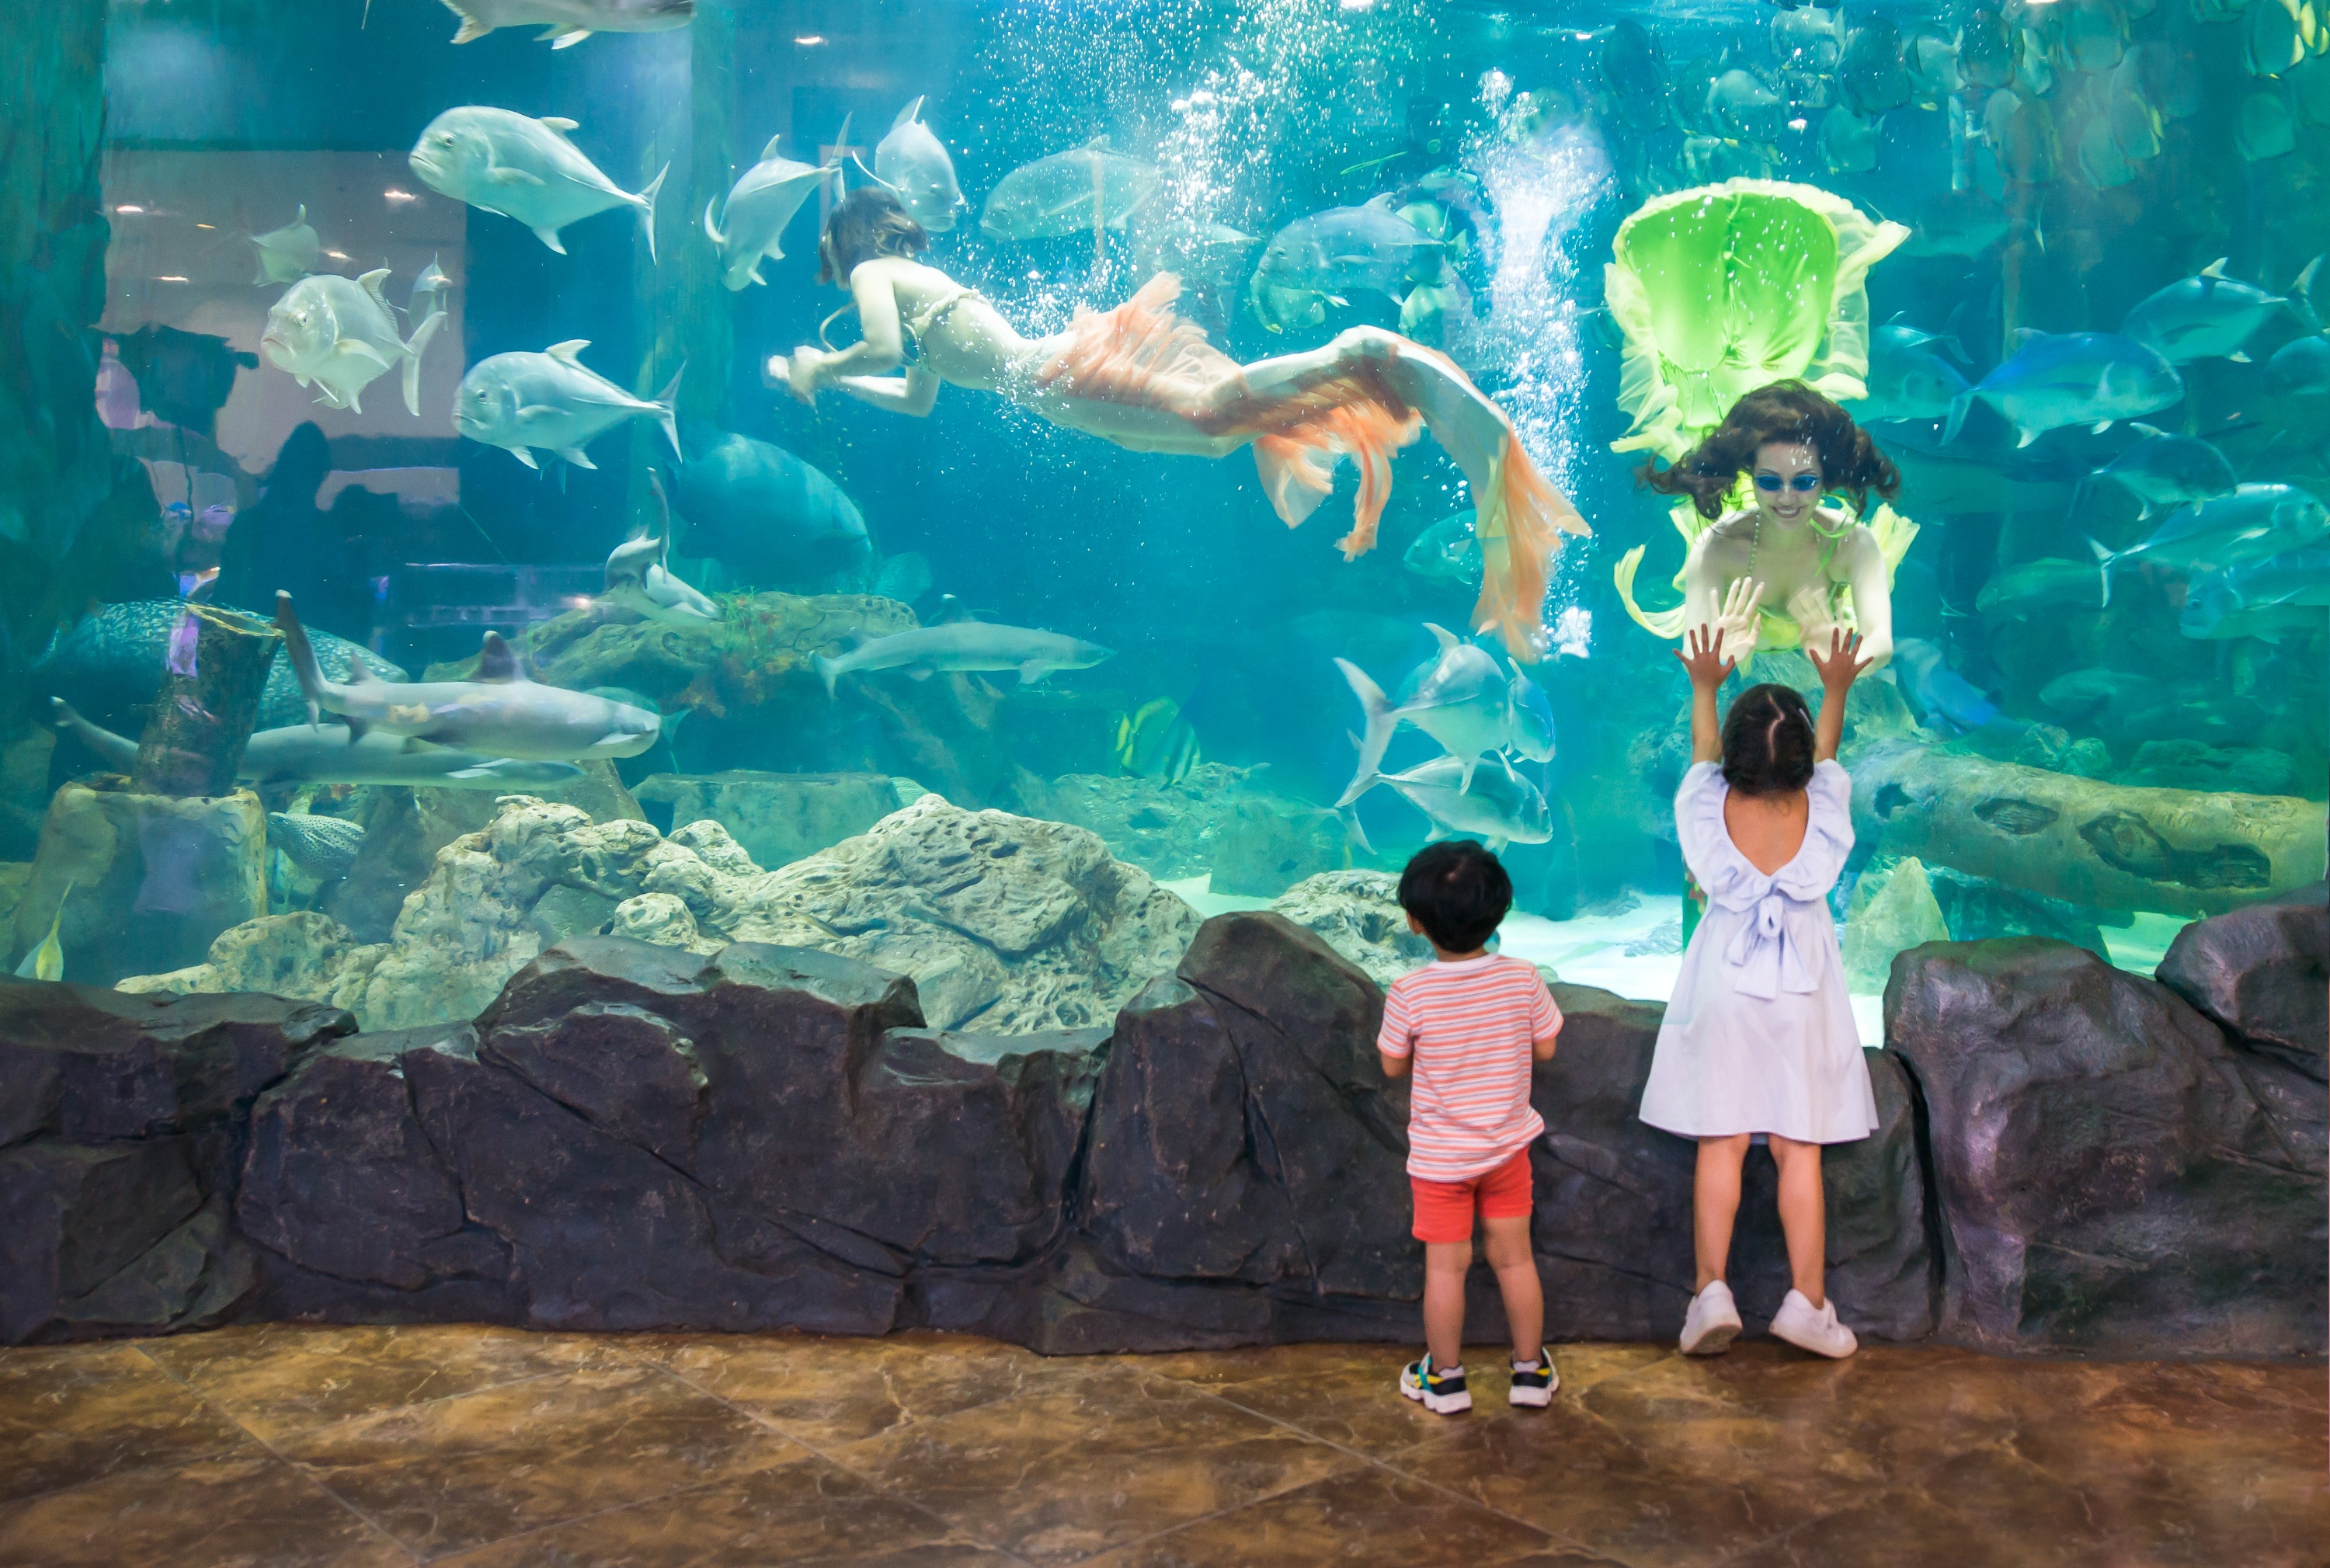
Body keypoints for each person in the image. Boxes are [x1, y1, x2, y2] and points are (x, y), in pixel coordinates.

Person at [767, 188, 1588, 660]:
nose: (836, 277)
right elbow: (914, 397)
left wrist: (820, 366)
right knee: (1220, 431)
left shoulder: (877, 269)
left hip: (1054, 375)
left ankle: (1356, 349)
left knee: (1213, 411)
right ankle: (1351, 372)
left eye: (829, 261)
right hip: (1052, 392)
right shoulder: (916, 302)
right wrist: (838, 388)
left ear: (846, 242)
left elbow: (871, 342)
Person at [1640, 621, 1876, 1360]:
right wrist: (1836, 686)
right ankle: (1807, 1303)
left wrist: (1703, 685)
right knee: (1795, 1146)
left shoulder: (1705, 807)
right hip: (1802, 993)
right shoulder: (1827, 807)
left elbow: (1702, 758)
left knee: (1723, 1138)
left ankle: (1711, 1291)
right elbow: (1831, 758)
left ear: (1731, 763)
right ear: (1805, 765)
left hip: (1724, 986)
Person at [1377, 840, 1563, 1415]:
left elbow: (1390, 1063)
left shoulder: (1409, 992)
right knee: (1515, 1260)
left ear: (1414, 922)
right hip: (1507, 1151)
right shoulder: (1522, 978)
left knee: (1445, 1268)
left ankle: (1447, 1378)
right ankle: (1530, 1371)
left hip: (1439, 1163)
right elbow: (1548, 1046)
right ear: (1500, 910)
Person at [1639, 381, 1902, 671]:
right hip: (1735, 684)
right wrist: (1724, 659)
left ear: (1824, 479)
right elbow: (1694, 653)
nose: (1787, 498)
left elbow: (1881, 642)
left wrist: (1843, 666)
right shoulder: (1716, 550)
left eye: (1804, 482)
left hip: (1834, 680)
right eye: (1769, 482)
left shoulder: (1850, 544)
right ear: (1751, 477)